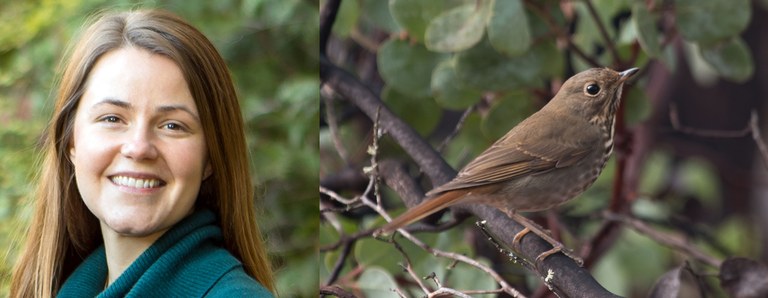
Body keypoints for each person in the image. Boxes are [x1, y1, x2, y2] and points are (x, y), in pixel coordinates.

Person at [10, 9, 275, 297]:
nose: (138, 148)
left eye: (172, 126)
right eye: (112, 119)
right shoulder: (56, 288)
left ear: (210, 157)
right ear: (71, 141)